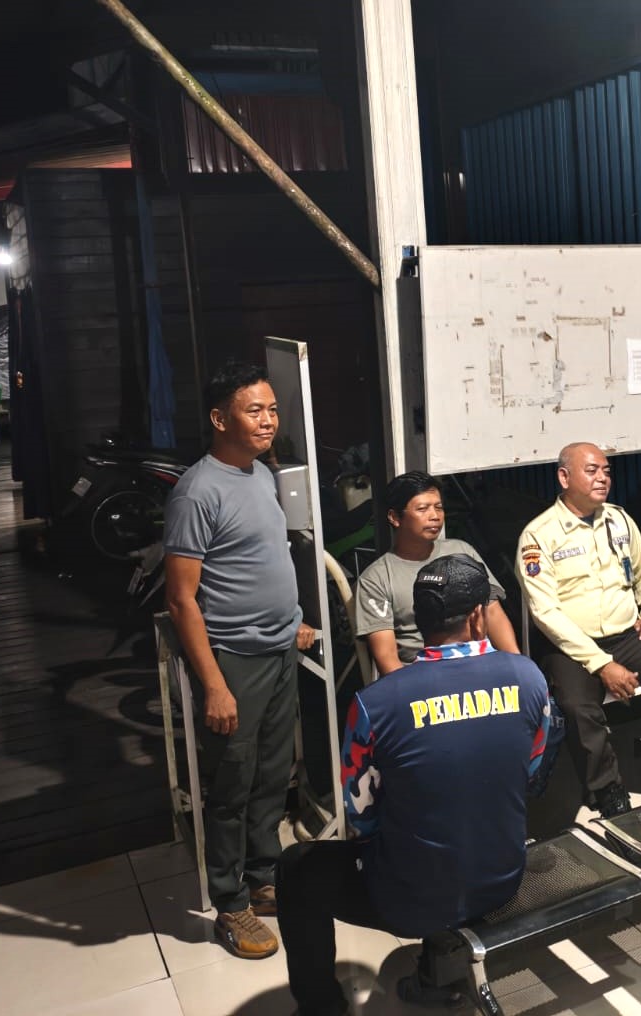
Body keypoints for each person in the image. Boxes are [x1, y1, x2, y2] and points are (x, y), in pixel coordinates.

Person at [277, 554, 553, 1016]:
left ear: (419, 620)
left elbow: (361, 813)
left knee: (295, 868)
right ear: (477, 616)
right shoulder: (529, 677)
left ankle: (321, 1007)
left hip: (411, 899)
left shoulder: (376, 703)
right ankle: (436, 970)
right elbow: (532, 770)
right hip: (503, 878)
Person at [163, 361, 316, 960]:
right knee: (231, 785)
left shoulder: (261, 474)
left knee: (273, 776)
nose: (269, 420)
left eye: (273, 409)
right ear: (219, 418)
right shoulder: (197, 491)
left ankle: (263, 877)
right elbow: (182, 600)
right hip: (235, 660)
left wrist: (292, 621)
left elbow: (260, 561)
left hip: (279, 650)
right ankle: (230, 903)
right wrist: (214, 685)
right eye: (255, 410)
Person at [517, 441, 641, 818]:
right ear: (564, 478)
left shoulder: (619, 519)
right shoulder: (539, 535)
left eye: (607, 471)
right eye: (591, 470)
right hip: (571, 646)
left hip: (627, 635)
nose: (603, 478)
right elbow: (546, 613)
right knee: (578, 708)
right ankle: (607, 791)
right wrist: (601, 664)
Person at [352, 471, 519, 676]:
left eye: (439, 507)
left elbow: (492, 612)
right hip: (422, 680)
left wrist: (517, 668)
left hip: (480, 669)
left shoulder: (462, 552)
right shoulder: (375, 579)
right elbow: (387, 657)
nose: (435, 516)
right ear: (395, 517)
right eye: (422, 509)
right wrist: (413, 692)